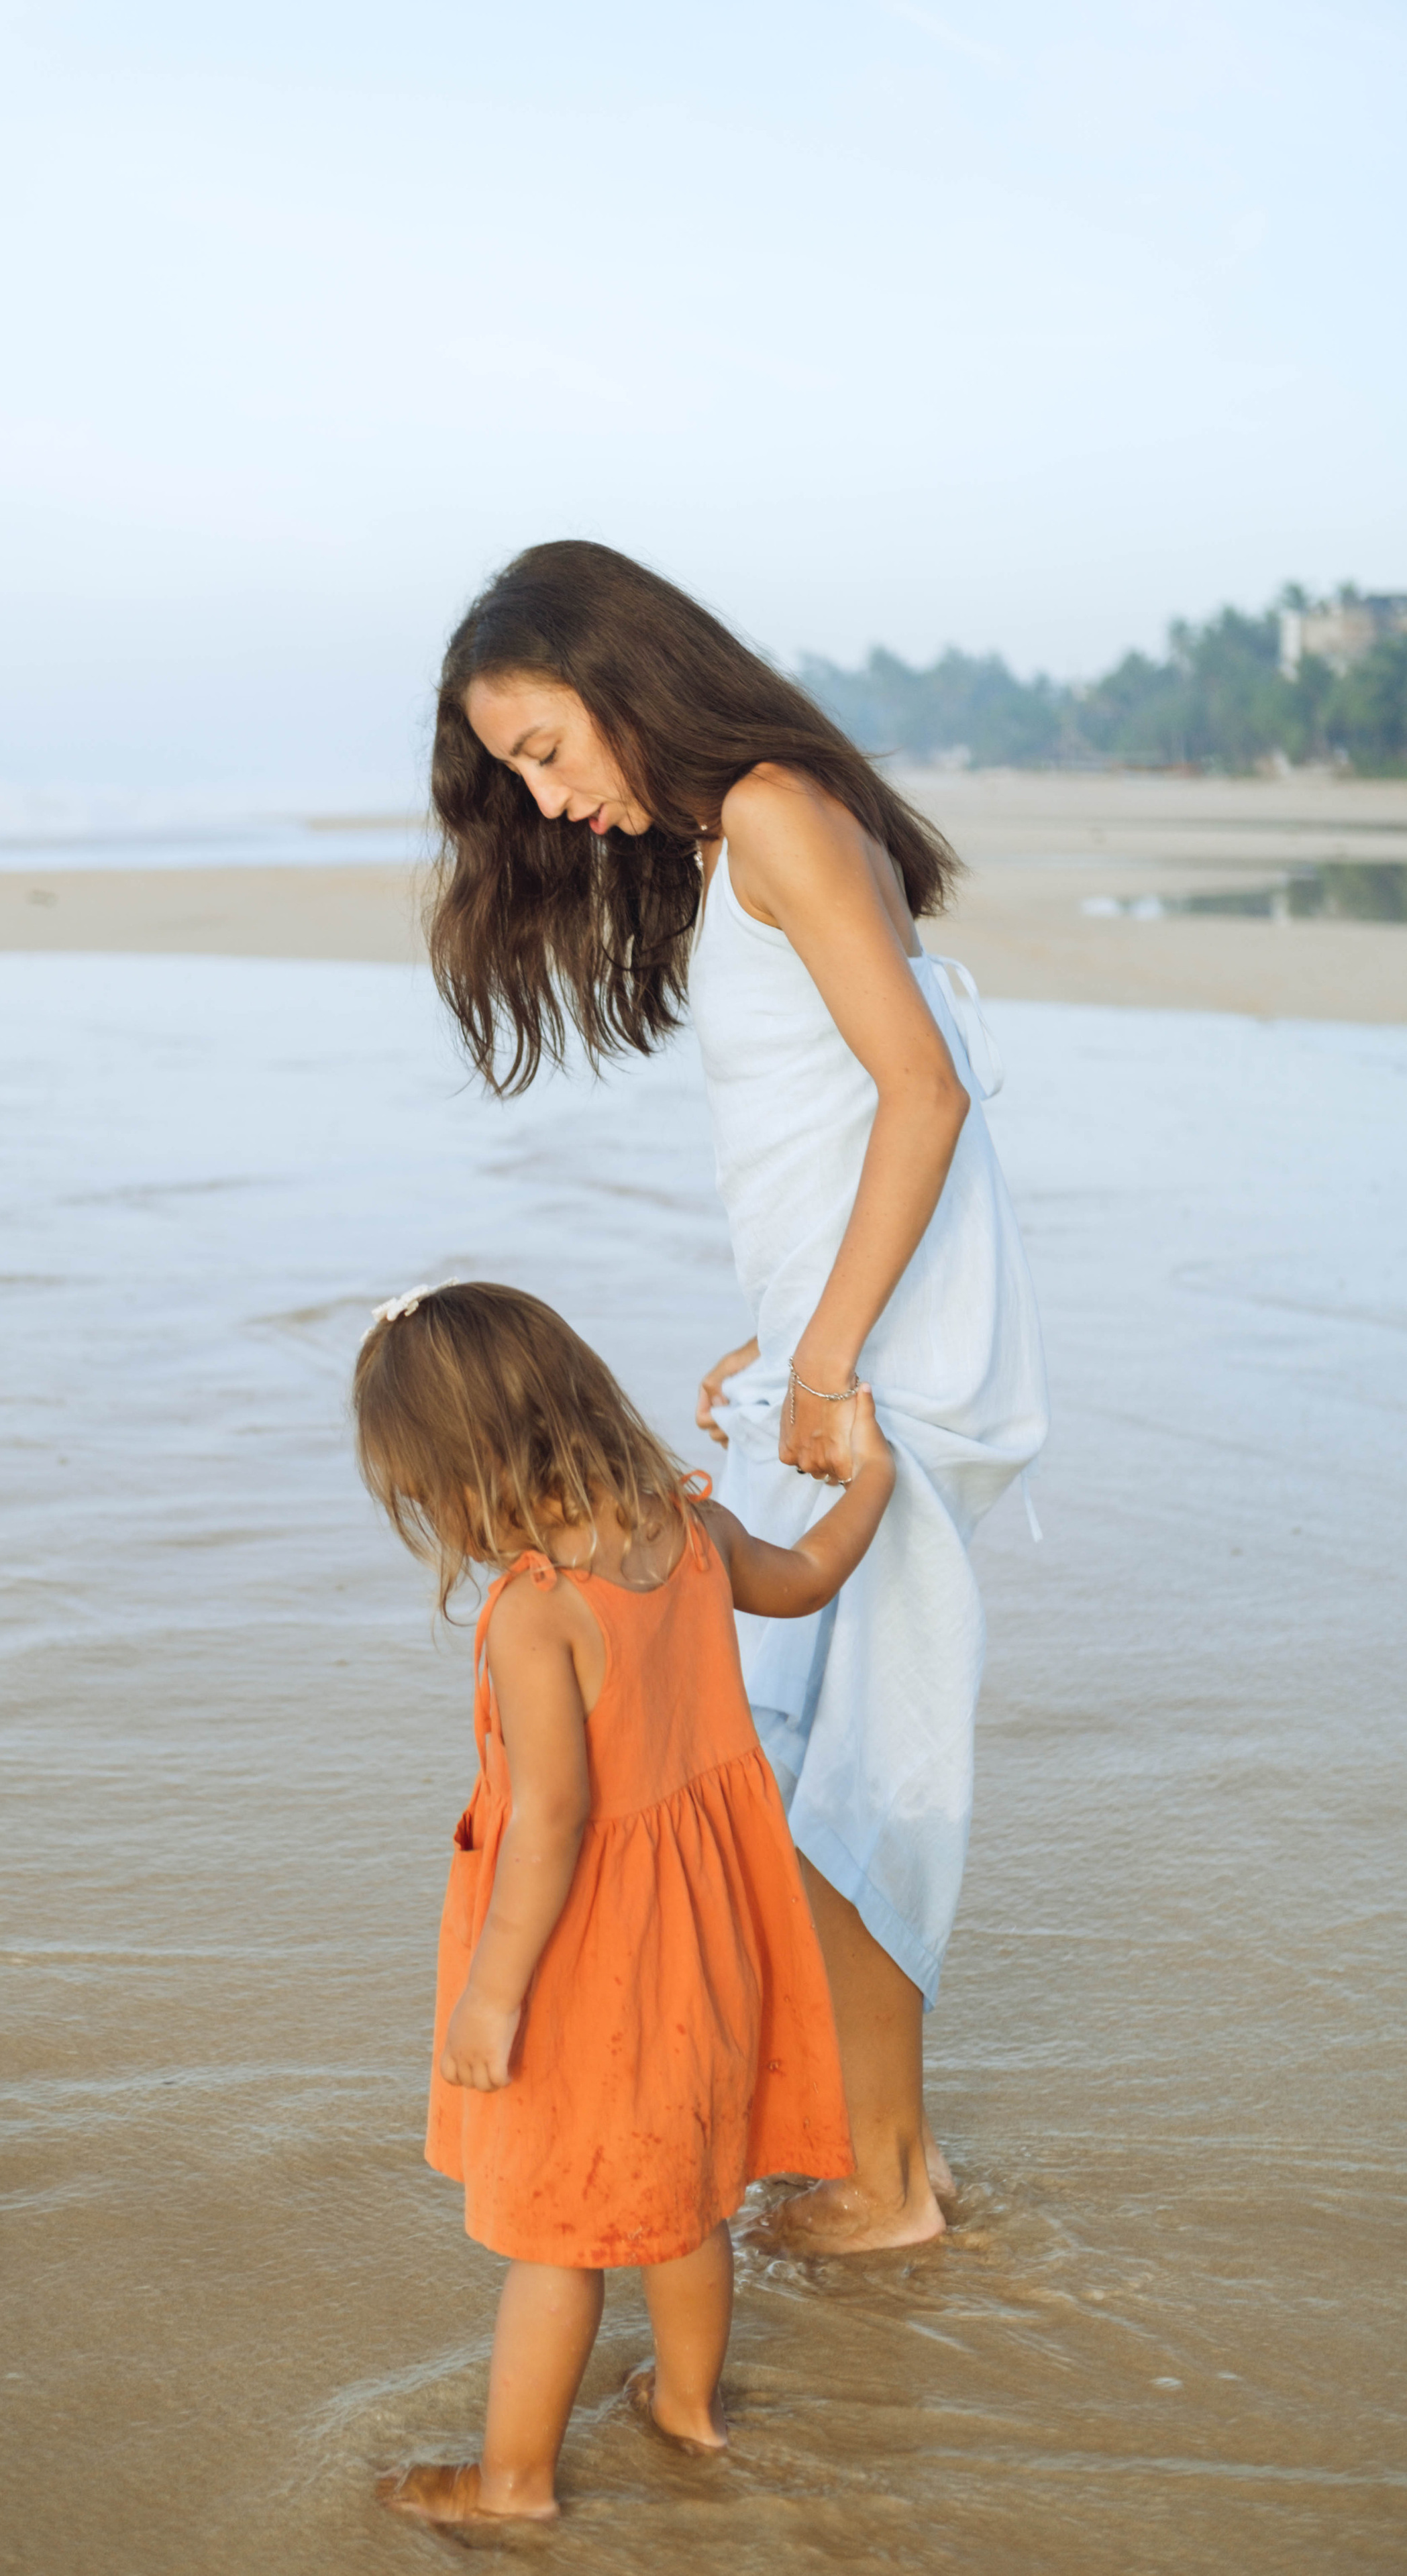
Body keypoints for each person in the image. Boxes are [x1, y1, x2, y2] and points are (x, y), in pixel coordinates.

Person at [428, 541, 1050, 2253]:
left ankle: (890, 2183)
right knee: (788, 1776)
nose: (546, 801)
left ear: (622, 676)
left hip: (888, 1377)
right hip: (845, 1353)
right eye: (517, 776)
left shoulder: (775, 809)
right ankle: (871, 2155)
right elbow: (829, 1133)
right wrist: (782, 1332)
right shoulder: (739, 838)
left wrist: (832, 1353)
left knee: (834, 1794)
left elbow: (920, 1097)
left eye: (545, 747)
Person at [354, 1280, 896, 2526]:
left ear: (464, 1468)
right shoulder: (687, 1530)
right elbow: (809, 1575)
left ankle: (511, 2484)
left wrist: (492, 1999)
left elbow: (550, 1822)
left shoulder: (539, 1613)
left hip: (591, 1959)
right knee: (687, 2190)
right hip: (710, 1933)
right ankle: (691, 2413)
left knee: (560, 2231)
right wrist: (869, 1475)